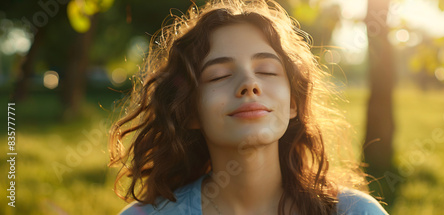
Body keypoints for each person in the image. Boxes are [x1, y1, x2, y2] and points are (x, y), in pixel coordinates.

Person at [108, 0, 389, 214]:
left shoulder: (354, 211)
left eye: (266, 70)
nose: (249, 84)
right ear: (190, 111)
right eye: (218, 75)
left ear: (293, 102)